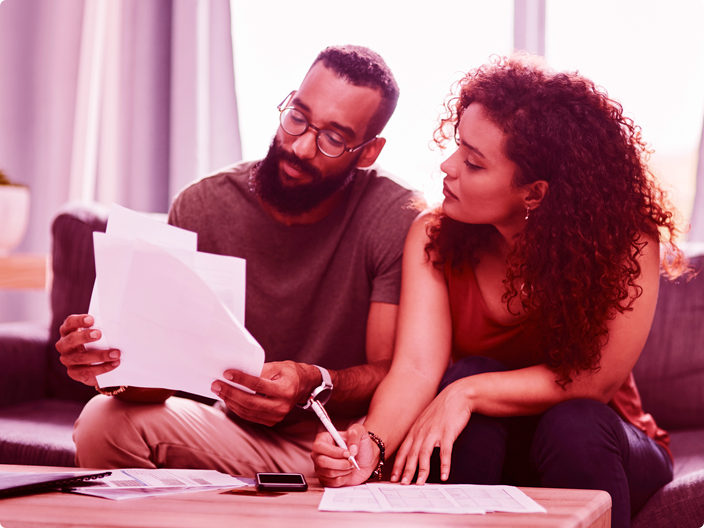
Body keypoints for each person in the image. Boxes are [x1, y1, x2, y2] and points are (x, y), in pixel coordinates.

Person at [311, 54, 687, 528]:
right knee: (468, 379)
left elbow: (595, 382)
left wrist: (466, 392)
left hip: (601, 445)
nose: (447, 167)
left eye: (472, 162)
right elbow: (415, 368)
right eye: (456, 147)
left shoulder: (627, 243)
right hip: (496, 449)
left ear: (534, 194)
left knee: (572, 421)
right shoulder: (433, 235)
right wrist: (372, 445)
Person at [56, 45, 419, 478]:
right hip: (231, 432)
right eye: (298, 116)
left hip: (337, 443)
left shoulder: (394, 217)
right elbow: (159, 383)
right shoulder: (203, 206)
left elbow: (392, 371)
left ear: (368, 152)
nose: (301, 147)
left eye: (334, 139)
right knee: (103, 420)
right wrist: (111, 365)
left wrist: (311, 383)